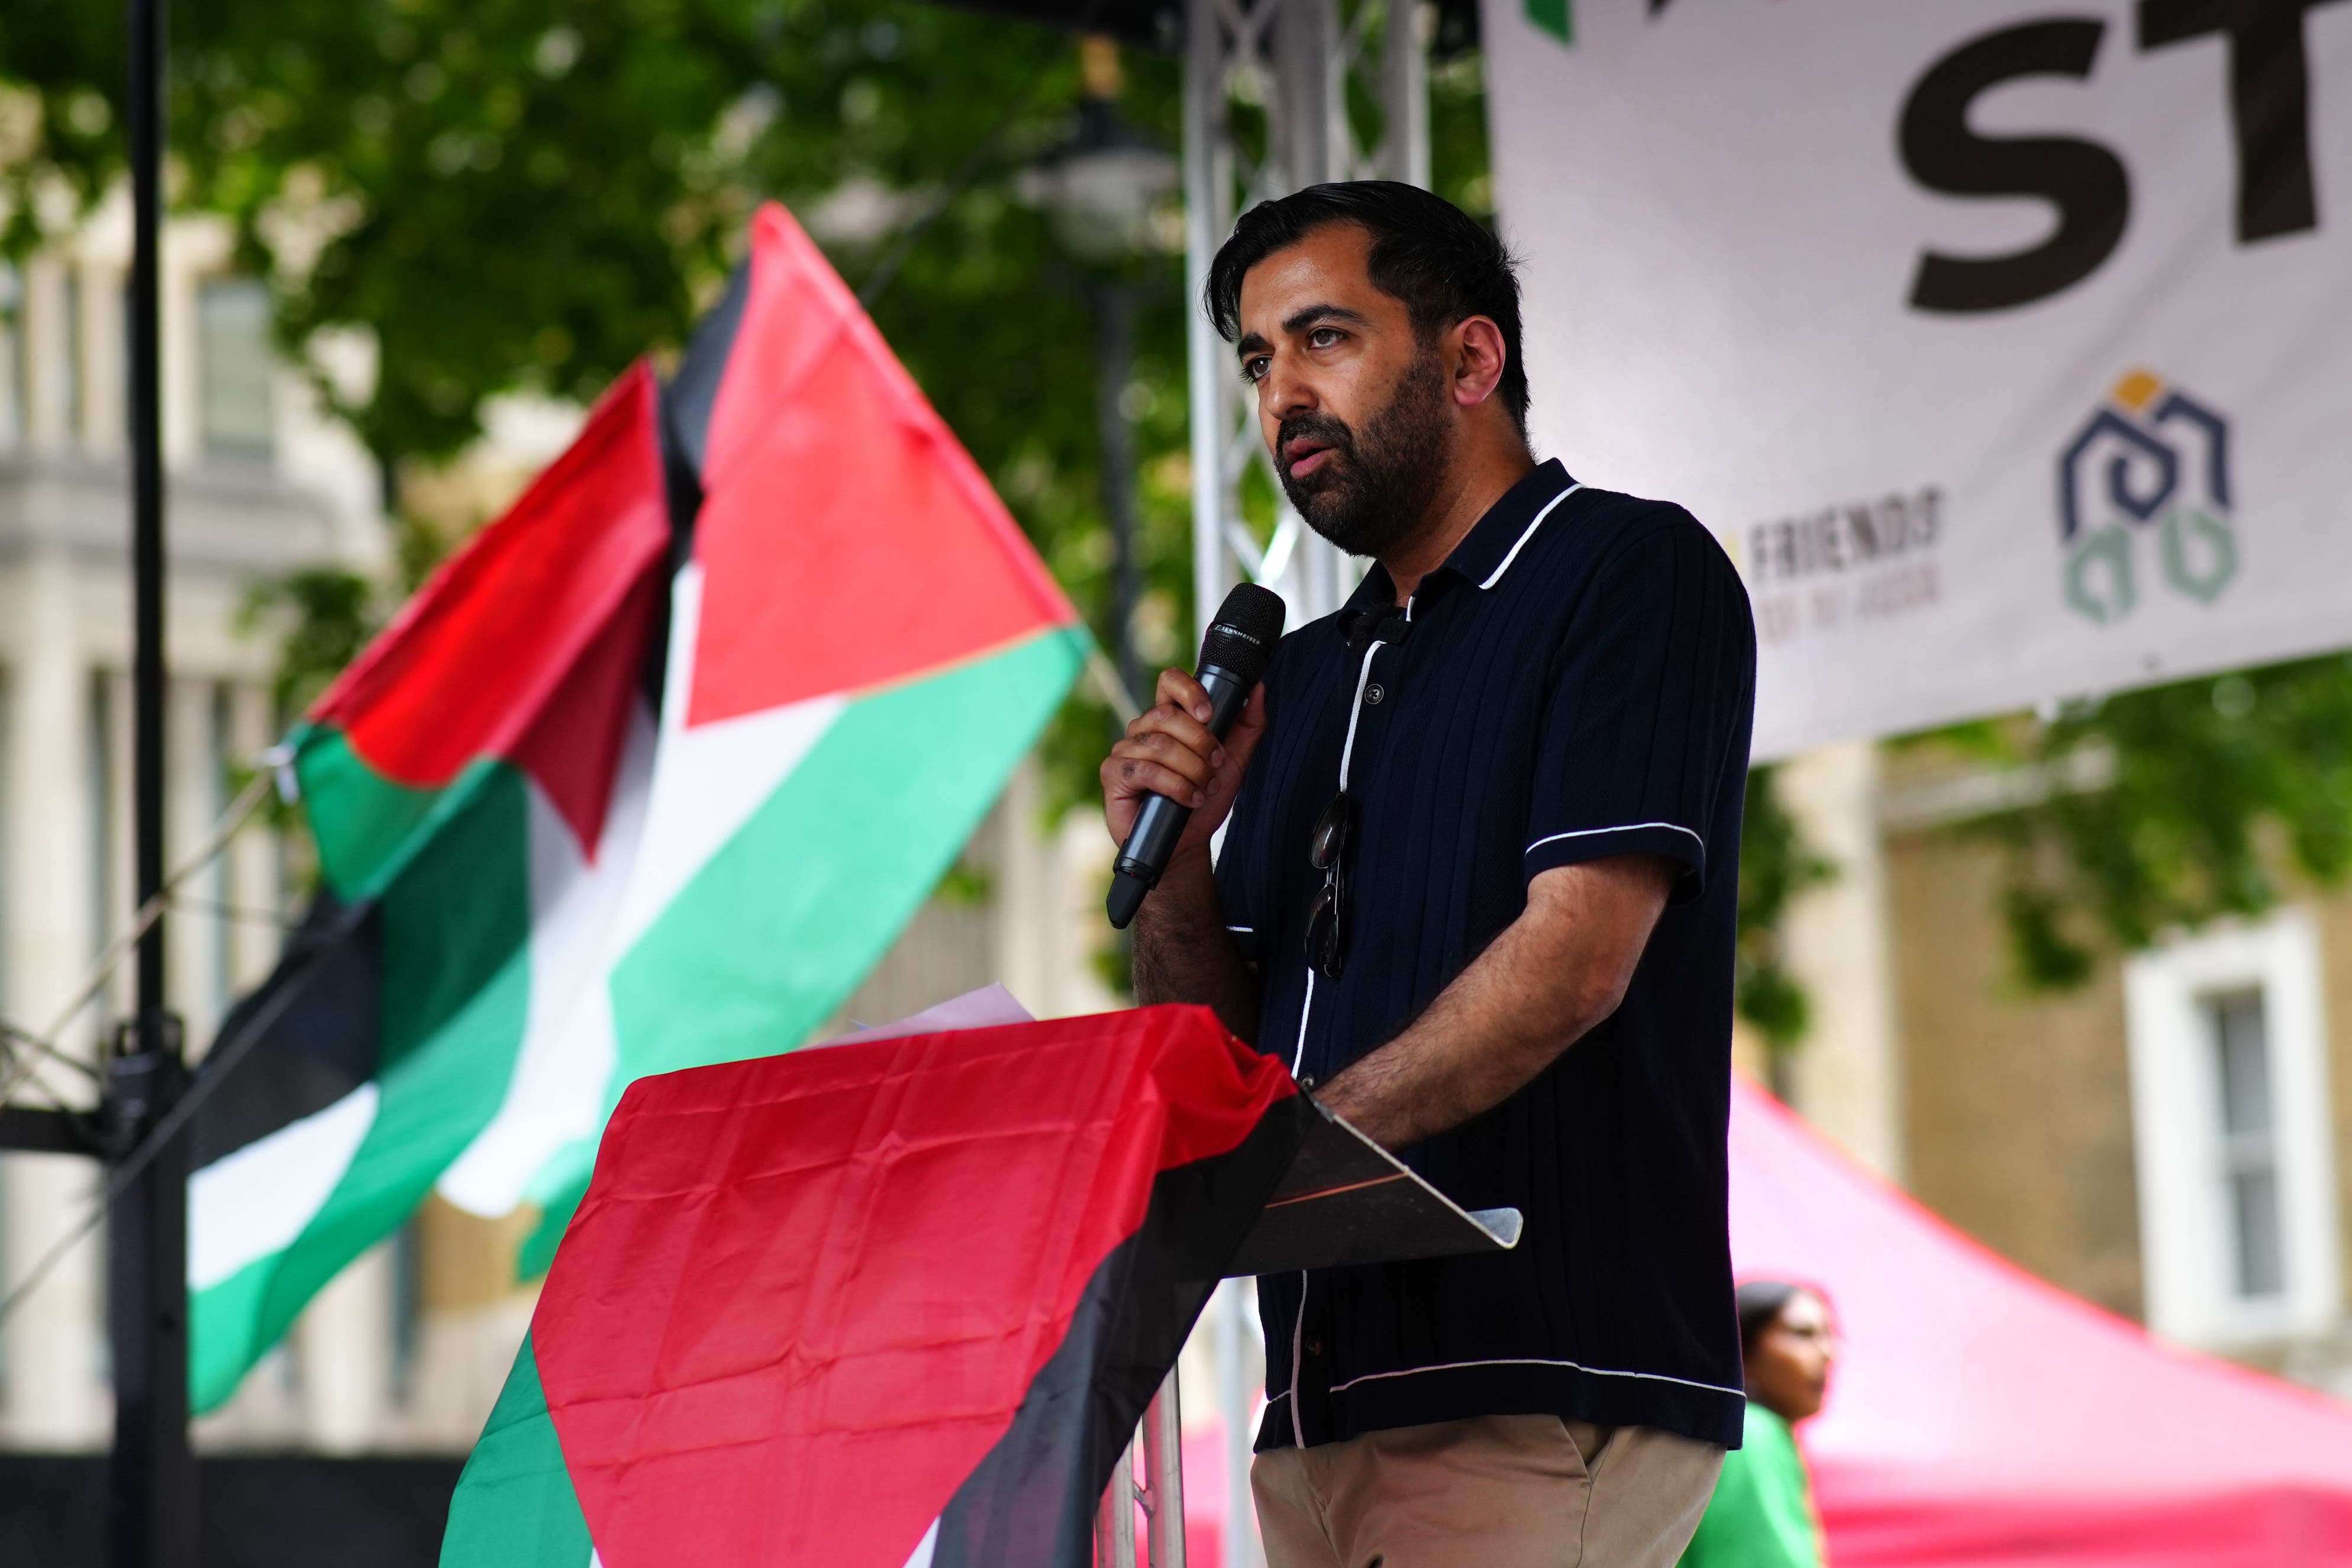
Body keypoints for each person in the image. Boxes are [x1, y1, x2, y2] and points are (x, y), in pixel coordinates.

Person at [1099, 180, 1757, 1567]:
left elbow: (1575, 957)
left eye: (1323, 338)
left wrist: (1287, 1154)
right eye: (1257, 359)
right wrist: (1171, 869)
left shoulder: (1625, 573)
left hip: (1537, 1381)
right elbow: (1217, 1058)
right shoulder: (1299, 673)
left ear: (1468, 360)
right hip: (1311, 1401)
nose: (1283, 394)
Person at [1678, 1282, 1837, 1568]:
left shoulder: (1733, 1429)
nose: (1828, 1353)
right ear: (1742, 1349)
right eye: (1803, 1334)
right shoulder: (1750, 1435)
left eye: (1830, 1335)